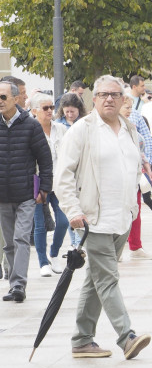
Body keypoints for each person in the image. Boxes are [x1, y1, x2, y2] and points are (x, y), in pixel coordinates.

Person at [55, 75, 151, 359]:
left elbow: (134, 168)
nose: (109, 98)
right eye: (103, 94)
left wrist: (137, 201)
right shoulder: (81, 131)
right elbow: (63, 175)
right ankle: (127, 336)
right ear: (93, 99)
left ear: (123, 99)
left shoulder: (130, 129)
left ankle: (82, 339)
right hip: (92, 220)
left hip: (123, 217)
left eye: (114, 94)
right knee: (108, 279)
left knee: (95, 280)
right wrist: (72, 210)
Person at [0, 80, 53, 303]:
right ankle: (14, 283)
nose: (0, 101)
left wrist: (44, 189)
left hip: (25, 195)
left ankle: (19, 285)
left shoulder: (31, 125)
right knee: (9, 242)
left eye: (3, 97)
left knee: (21, 238)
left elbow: (45, 159)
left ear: (15, 98)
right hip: (2, 195)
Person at [30, 93, 70, 277]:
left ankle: (54, 253)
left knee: (63, 221)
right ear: (35, 110)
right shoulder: (30, 129)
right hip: (38, 182)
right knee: (40, 225)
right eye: (45, 108)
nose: (49, 111)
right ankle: (42, 262)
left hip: (58, 181)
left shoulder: (61, 129)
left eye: (51, 108)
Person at [119, 95, 152, 260]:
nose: (129, 111)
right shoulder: (108, 127)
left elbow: (139, 149)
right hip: (117, 176)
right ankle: (116, 248)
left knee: (135, 211)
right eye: (127, 107)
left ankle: (135, 246)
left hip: (134, 175)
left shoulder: (130, 126)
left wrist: (146, 166)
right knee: (118, 212)